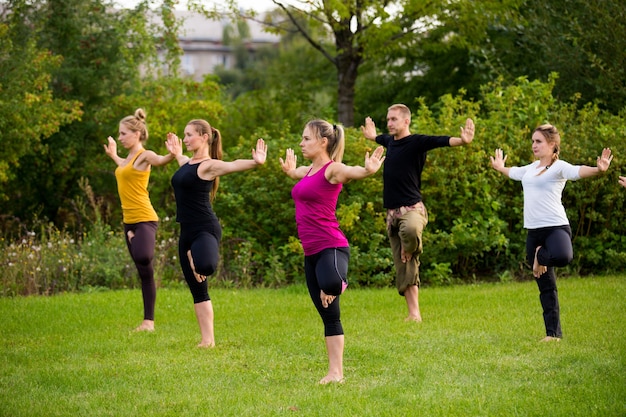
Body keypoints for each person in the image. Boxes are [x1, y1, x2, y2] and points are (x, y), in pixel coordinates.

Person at [279, 119, 385, 384]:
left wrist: (368, 170)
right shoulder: (307, 171)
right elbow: (296, 177)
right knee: (329, 314)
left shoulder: (332, 170)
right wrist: (290, 171)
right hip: (311, 252)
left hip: (332, 246)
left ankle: (339, 283)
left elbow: (351, 172)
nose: (301, 143)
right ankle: (335, 373)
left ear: (323, 142)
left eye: (306, 139)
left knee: (331, 285)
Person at [490, 124, 612, 342]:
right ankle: (553, 334)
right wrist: (500, 168)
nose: (534, 145)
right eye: (533, 141)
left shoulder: (559, 167)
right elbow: (514, 172)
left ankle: (540, 255)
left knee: (564, 256)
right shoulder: (530, 168)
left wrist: (598, 170)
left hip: (556, 227)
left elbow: (578, 171)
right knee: (546, 286)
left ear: (552, 145)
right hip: (534, 232)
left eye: (538, 141)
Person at [360, 104, 475, 322]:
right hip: (392, 214)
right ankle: (414, 314)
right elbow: (380, 138)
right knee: (405, 266)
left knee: (411, 230)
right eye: (388, 119)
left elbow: (441, 141)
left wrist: (462, 140)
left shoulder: (417, 142)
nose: (389, 123)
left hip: (412, 209)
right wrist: (373, 136)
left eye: (394, 119)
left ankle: (409, 245)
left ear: (406, 121)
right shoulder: (390, 142)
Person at [165, 119, 267, 348]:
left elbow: (231, 165)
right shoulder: (187, 163)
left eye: (189, 134)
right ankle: (207, 340)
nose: (185, 138)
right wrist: (176, 153)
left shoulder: (208, 165)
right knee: (197, 289)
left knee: (206, 267)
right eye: (184, 134)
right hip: (186, 232)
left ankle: (195, 259)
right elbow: (183, 163)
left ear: (204, 137)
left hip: (205, 229)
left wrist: (255, 162)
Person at [103, 108, 175, 332]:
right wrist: (113, 154)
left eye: (123, 133)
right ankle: (148, 322)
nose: (120, 137)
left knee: (144, 255)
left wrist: (172, 154)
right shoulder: (126, 160)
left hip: (145, 219)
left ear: (137, 134)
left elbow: (160, 160)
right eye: (119, 134)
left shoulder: (144, 155)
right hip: (128, 220)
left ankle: (135, 239)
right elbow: (122, 167)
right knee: (144, 271)